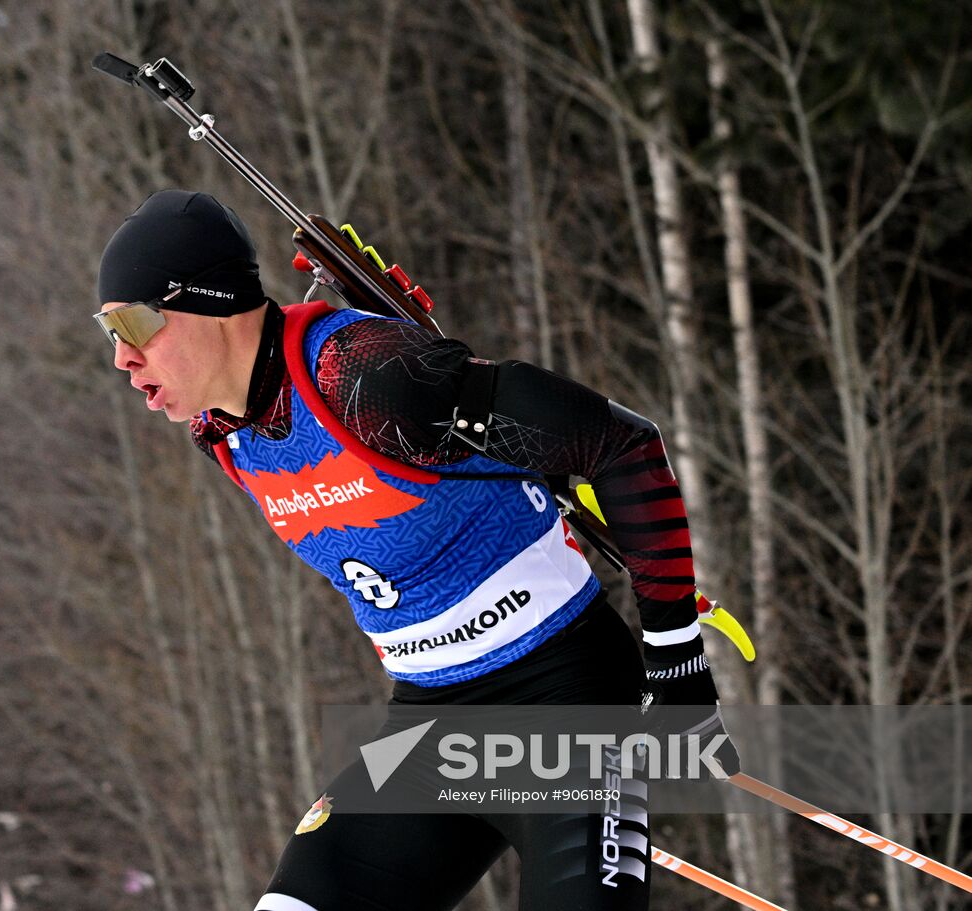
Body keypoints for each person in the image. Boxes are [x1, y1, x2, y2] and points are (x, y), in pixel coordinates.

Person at [94, 189, 736, 911]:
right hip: (431, 717)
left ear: (212, 304)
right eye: (108, 329)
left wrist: (675, 655)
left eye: (133, 322)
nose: (121, 355)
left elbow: (622, 444)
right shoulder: (224, 434)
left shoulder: (365, 376)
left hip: (566, 697)